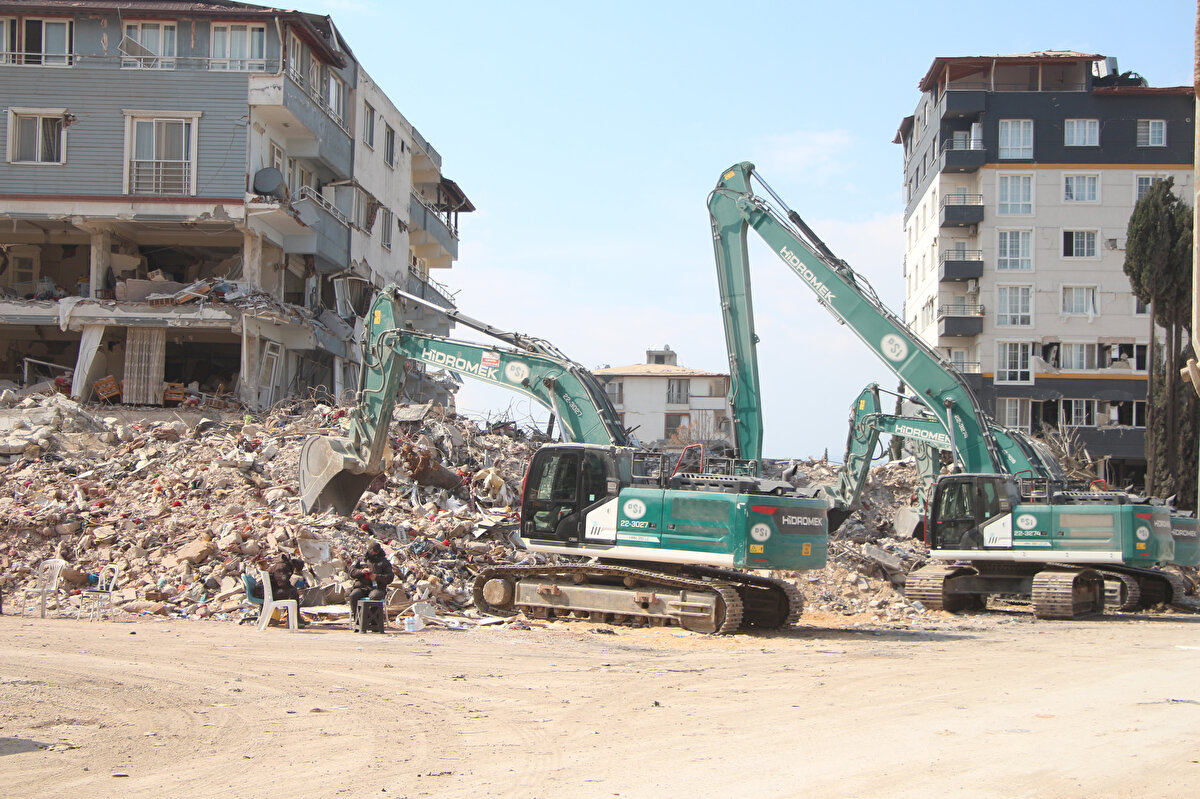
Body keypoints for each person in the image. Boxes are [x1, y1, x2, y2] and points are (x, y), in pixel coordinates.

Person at [348, 542, 394, 620]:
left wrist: (377, 577)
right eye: (371, 552)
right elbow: (351, 572)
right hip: (362, 587)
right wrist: (361, 571)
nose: (373, 553)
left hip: (377, 588)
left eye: (375, 552)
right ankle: (358, 619)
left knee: (374, 596)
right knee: (354, 595)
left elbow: (390, 578)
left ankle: (373, 621)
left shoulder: (384, 562)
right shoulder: (361, 560)